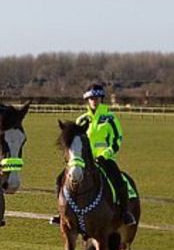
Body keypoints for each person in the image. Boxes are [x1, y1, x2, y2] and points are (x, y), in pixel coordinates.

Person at [50, 83, 136, 226]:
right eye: (91, 98)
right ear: (87, 100)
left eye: (96, 97)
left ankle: (125, 212)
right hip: (83, 160)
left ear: (101, 98)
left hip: (104, 159)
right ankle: (61, 214)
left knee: (118, 180)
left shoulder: (110, 118)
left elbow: (117, 140)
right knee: (60, 179)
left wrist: (106, 153)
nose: (94, 100)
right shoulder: (82, 120)